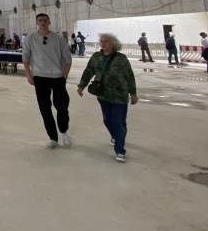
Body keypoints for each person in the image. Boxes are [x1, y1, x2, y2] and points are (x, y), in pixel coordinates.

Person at [76, 33, 138, 163]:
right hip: (103, 94)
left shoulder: (121, 58)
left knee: (119, 122)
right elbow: (88, 71)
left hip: (120, 95)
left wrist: (133, 93)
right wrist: (81, 86)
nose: (103, 43)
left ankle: (120, 150)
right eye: (101, 41)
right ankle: (117, 136)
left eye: (106, 41)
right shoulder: (96, 57)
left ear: (113, 44)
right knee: (107, 120)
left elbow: (129, 76)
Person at [23, 13, 73, 149]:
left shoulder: (58, 38)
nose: (43, 22)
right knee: (45, 108)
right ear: (36, 23)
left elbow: (68, 58)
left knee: (62, 107)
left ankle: (63, 132)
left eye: (45, 20)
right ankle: (53, 137)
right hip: (40, 77)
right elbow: (25, 57)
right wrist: (29, 75)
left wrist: (64, 76)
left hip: (57, 77)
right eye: (40, 20)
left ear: (49, 22)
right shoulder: (31, 38)